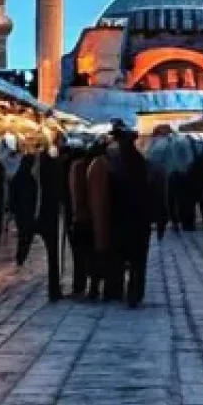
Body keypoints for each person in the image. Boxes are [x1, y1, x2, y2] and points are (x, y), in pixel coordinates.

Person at [109, 125, 152, 307]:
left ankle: (120, 289)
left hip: (122, 217)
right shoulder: (141, 162)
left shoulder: (116, 163)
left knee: (121, 255)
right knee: (138, 259)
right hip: (139, 218)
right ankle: (136, 291)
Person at [36, 139, 64, 301]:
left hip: (43, 213)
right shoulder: (55, 167)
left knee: (52, 252)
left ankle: (54, 287)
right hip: (51, 213)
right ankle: (54, 287)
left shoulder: (38, 166)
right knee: (53, 252)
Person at [87, 138, 114, 300]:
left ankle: (96, 286)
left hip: (98, 218)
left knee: (97, 253)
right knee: (100, 253)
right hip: (100, 218)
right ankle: (98, 287)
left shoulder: (96, 165)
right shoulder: (101, 165)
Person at [67, 145, 95, 296]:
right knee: (89, 253)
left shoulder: (76, 167)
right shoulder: (88, 166)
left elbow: (75, 196)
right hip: (90, 217)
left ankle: (79, 286)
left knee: (79, 255)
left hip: (80, 218)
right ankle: (91, 285)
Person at [9, 147, 38, 267]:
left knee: (23, 235)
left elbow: (12, 194)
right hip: (28, 212)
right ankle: (21, 256)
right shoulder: (32, 179)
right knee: (27, 235)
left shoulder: (18, 176)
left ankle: (20, 257)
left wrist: (13, 209)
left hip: (20, 212)